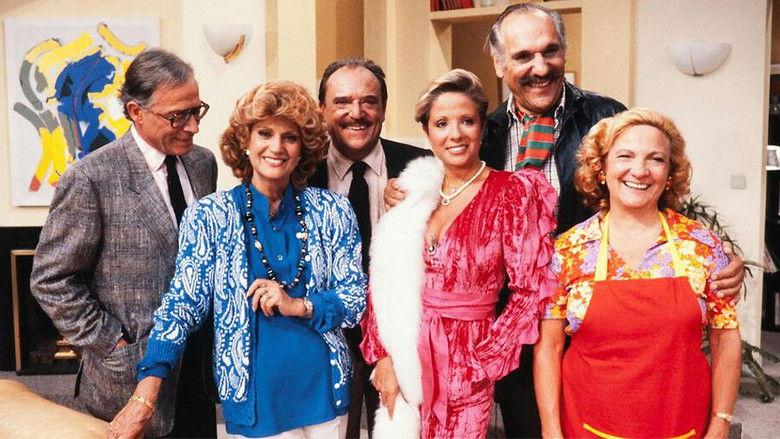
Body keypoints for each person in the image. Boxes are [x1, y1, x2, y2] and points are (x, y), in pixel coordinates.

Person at [380, 4, 745, 436]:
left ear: (564, 53)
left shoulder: (606, 117)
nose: (539, 67)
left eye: (549, 51)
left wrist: (719, 258)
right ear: (499, 64)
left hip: (598, 323)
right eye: (523, 56)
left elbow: (646, 193)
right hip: (515, 330)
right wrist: (408, 196)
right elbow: (456, 197)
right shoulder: (483, 131)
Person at [109, 81, 367, 439]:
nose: (276, 147)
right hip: (255, 399)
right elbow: (182, 305)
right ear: (245, 141)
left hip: (324, 390)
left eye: (290, 137)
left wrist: (298, 305)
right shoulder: (210, 216)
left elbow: (354, 298)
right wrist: (146, 393)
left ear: (303, 147)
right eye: (264, 133)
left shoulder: (333, 210)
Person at [29, 48, 217, 437]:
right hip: (127, 380)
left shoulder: (203, 164)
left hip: (196, 373)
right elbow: (50, 279)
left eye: (197, 111)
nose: (193, 127)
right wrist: (111, 341)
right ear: (135, 111)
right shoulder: (91, 177)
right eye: (178, 116)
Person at [361, 69, 557, 438]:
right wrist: (383, 356)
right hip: (405, 352)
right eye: (442, 123)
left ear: (482, 126)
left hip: (469, 359)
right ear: (427, 132)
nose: (455, 134)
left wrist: (485, 359)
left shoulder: (512, 192)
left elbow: (530, 290)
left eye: (466, 121)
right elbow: (384, 281)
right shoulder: (412, 192)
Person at [534, 108, 741, 438]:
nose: (640, 170)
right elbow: (549, 346)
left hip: (680, 425)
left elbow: (725, 337)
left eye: (656, 159)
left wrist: (721, 421)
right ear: (602, 168)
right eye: (625, 156)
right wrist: (551, 430)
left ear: (669, 173)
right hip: (588, 425)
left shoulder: (700, 245)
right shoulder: (569, 250)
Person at [310, 57, 431, 438]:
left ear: (384, 108)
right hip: (326, 337)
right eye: (342, 101)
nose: (356, 113)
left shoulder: (421, 167)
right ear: (322, 109)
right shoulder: (300, 173)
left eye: (369, 101)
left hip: (402, 338)